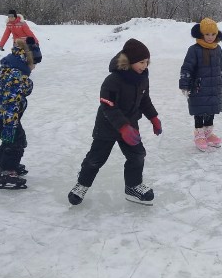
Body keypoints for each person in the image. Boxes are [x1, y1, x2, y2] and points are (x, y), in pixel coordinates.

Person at [68, 39, 162, 206]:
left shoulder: (142, 78)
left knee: (137, 155)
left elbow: (144, 100)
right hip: (107, 125)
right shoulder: (113, 80)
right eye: (141, 62)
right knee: (96, 158)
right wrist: (122, 127)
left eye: (147, 62)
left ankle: (133, 186)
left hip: (131, 124)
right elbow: (108, 106)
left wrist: (153, 118)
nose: (145, 66)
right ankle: (81, 185)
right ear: (130, 61)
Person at [0, 37, 42, 189]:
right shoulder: (16, 76)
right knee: (16, 141)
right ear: (27, 60)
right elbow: (10, 103)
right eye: (34, 63)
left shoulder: (9, 68)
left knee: (12, 140)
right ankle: (7, 171)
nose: (34, 67)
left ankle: (2, 162)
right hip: (4, 117)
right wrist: (10, 126)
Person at [179, 18, 222, 152]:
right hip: (199, 87)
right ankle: (199, 135)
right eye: (207, 34)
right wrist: (185, 84)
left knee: (211, 110)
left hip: (214, 86)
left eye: (213, 34)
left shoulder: (218, 49)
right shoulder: (194, 50)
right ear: (201, 34)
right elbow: (186, 68)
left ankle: (208, 133)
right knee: (200, 111)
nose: (210, 37)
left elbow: (221, 67)